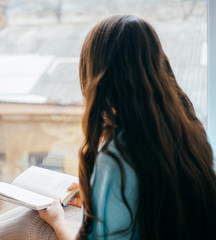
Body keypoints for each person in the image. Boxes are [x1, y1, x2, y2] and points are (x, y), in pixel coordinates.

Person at [0, 15, 216, 240]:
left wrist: (58, 222)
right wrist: (96, 195)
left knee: (42, 220)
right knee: (54, 202)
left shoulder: (118, 157)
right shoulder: (187, 129)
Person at [38, 14, 216, 240]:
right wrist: (101, 198)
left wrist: (57, 221)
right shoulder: (192, 131)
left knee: (25, 226)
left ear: (97, 79)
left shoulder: (116, 156)